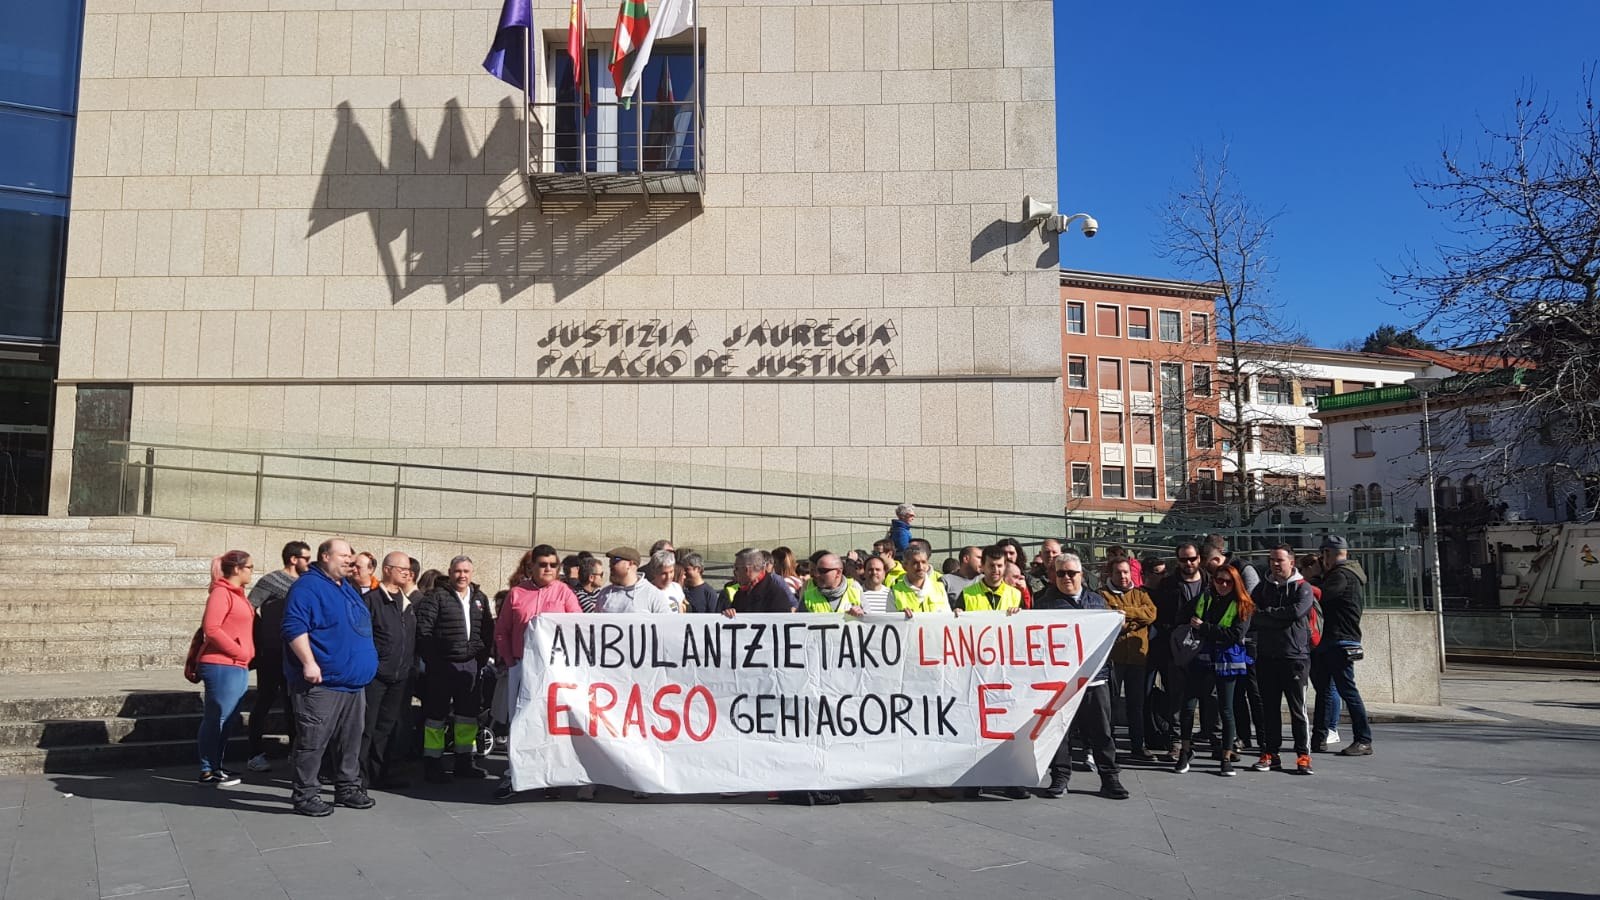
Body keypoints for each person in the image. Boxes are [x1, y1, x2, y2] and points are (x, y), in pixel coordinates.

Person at [282, 538, 378, 817]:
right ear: (325, 556)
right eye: (344, 555)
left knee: (351, 740)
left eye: (351, 556)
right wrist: (308, 663)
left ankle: (347, 787)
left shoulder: (344, 587)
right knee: (313, 740)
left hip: (353, 683)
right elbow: (293, 627)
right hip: (322, 684)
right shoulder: (308, 587)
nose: (350, 560)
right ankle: (305, 794)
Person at [1034, 552, 1129, 800]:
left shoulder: (1097, 602)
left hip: (1095, 680)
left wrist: (1118, 625)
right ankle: (1060, 778)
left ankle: (1110, 778)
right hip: (1060, 683)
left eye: (1071, 573)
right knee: (1059, 733)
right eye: (1061, 573)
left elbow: (1107, 639)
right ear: (1054, 575)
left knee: (1102, 732)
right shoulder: (1044, 605)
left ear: (1081, 575)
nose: (1066, 577)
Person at [493, 544, 583, 800]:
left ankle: (549, 777)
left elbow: (578, 627)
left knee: (549, 722)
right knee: (519, 721)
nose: (548, 569)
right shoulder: (517, 593)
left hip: (552, 670)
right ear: (531, 566)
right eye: (543, 564)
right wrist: (511, 661)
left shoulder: (564, 593)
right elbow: (502, 630)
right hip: (522, 666)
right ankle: (512, 775)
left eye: (553, 565)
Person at [414, 555, 495, 783]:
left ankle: (464, 760)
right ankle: (433, 762)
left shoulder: (479, 598)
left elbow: (487, 630)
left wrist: (480, 658)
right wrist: (434, 660)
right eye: (458, 571)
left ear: (472, 573)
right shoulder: (436, 597)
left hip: (470, 666)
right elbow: (424, 631)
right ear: (450, 572)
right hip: (442, 666)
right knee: (436, 717)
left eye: (466, 571)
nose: (462, 575)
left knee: (468, 717)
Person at [1173, 565, 1254, 777]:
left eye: (1228, 581)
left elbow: (1235, 634)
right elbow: (1183, 616)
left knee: (1226, 709)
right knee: (1188, 706)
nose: (1223, 585)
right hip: (1200, 659)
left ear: (1236, 583)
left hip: (1227, 662)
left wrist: (1205, 628)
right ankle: (1185, 750)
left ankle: (1226, 755)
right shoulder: (1205, 598)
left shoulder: (1242, 604)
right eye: (1219, 580)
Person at [1249, 545, 1315, 776]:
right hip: (1267, 655)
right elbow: (1251, 614)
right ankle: (1270, 753)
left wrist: (1268, 615)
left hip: (1295, 656)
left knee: (1298, 710)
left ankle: (1303, 755)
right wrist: (1274, 615)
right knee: (1269, 709)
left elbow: (1296, 612)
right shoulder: (1262, 587)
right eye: (1272, 560)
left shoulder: (1302, 587)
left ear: (1292, 562)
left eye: (1280, 560)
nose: (1275, 565)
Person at [246, 541, 309, 772]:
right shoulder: (271, 581)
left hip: (294, 652)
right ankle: (255, 753)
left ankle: (295, 750)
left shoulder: (306, 583)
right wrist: (263, 633)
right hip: (271, 652)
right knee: (265, 699)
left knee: (294, 702)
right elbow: (249, 606)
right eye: (306, 558)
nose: (308, 562)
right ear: (293, 559)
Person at [197, 550, 256, 786]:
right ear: (238, 569)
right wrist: (238, 651)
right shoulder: (222, 593)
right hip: (222, 664)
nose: (252, 571)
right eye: (250, 567)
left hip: (237, 665)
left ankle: (216, 764)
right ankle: (207, 767)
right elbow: (211, 628)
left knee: (227, 718)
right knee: (217, 717)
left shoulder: (237, 594)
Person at [1311, 535, 1373, 757]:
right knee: (1325, 691)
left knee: (1347, 690)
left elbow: (1321, 596)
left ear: (1328, 553)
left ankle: (1364, 739)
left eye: (1323, 554)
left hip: (1340, 640)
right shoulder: (1345, 573)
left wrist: (1309, 580)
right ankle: (1318, 738)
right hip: (1334, 640)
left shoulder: (1341, 575)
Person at [362, 551, 416, 790]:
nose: (406, 572)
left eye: (408, 569)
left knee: (389, 726)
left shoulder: (408, 602)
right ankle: (359, 777)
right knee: (367, 726)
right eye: (401, 568)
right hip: (376, 675)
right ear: (386, 569)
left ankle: (382, 772)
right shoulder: (372, 600)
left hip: (400, 675)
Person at [1151, 542, 1206, 759]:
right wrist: (1173, 632)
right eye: (1184, 559)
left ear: (1199, 558)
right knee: (1176, 697)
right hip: (1176, 650)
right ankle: (1176, 741)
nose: (1188, 563)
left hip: (1204, 647)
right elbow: (1159, 615)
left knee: (1209, 698)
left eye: (1192, 558)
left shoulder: (1211, 582)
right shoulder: (1168, 585)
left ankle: (1213, 737)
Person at [1100, 558, 1158, 761]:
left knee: (1136, 703)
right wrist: (1131, 619)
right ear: (1111, 575)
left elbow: (1150, 614)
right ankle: (1110, 744)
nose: (1123, 576)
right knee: (1111, 703)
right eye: (1118, 573)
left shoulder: (1141, 593)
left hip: (1137, 657)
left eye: (1126, 572)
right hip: (1114, 658)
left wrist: (1125, 614)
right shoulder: (1102, 595)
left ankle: (1138, 745)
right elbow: (1108, 619)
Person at [723, 548, 793, 615]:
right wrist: (729, 614)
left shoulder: (776, 594)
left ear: (747, 569)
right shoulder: (740, 594)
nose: (734, 573)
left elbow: (782, 622)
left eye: (736, 568)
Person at [888, 546, 950, 616]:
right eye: (915, 563)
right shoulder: (894, 592)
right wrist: (899, 616)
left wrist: (957, 615)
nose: (920, 567)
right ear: (904, 566)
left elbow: (947, 618)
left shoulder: (939, 587)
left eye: (923, 562)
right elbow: (890, 621)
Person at [798, 553, 864, 615]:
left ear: (838, 572)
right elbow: (799, 623)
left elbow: (869, 623)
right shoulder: (808, 597)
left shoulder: (856, 592)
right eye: (817, 570)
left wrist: (861, 615)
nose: (817, 574)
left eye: (823, 571)